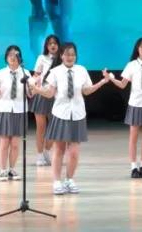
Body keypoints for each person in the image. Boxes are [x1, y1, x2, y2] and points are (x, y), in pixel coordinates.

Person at [35, 41, 113, 195]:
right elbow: (50, 93)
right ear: (61, 56)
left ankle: (69, 179)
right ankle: (57, 181)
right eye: (67, 54)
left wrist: (103, 82)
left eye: (73, 54)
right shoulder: (55, 72)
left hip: (78, 114)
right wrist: (37, 90)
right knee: (59, 149)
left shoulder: (81, 70)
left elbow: (87, 90)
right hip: (60, 114)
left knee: (74, 152)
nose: (70, 57)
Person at [108, 36, 142, 178]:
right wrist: (111, 78)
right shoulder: (131, 65)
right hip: (136, 103)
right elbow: (122, 84)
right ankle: (133, 167)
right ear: (137, 49)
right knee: (133, 137)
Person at [0, 44, 29, 181]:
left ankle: (12, 169)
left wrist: (35, 85)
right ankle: (3, 170)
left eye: (16, 55)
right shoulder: (1, 73)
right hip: (4, 109)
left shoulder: (25, 73)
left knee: (15, 143)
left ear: (20, 57)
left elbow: (30, 93)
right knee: (4, 143)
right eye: (10, 55)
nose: (13, 57)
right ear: (6, 58)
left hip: (20, 110)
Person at [29, 34, 60, 167]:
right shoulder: (41, 58)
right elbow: (35, 75)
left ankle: (47, 150)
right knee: (41, 127)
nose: (52, 45)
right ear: (46, 46)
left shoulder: (62, 59)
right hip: (41, 94)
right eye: (50, 43)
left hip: (55, 96)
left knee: (55, 126)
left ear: (58, 45)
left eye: (55, 43)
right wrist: (33, 85)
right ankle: (39, 155)